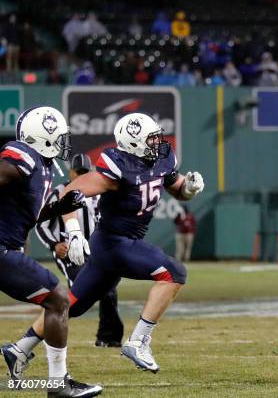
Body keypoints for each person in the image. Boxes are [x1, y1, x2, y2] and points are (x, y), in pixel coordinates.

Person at [9, 113, 205, 375]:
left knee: (71, 306)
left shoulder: (161, 160)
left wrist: (189, 189)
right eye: (151, 138)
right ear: (134, 143)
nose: (159, 142)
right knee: (175, 273)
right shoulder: (119, 165)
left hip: (117, 247)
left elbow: (177, 187)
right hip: (114, 244)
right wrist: (74, 231)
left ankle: (20, 348)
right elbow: (70, 193)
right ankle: (138, 341)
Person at [0, 106, 102, 396]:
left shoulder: (41, 166)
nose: (64, 142)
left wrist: (60, 208)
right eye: (59, 135)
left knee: (57, 299)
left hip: (8, 248)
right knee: (58, 298)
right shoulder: (24, 155)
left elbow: (32, 212)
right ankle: (59, 384)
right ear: (42, 136)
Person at [36, 153, 124, 348]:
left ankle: (108, 337)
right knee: (81, 291)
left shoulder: (96, 193)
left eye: (86, 172)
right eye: (79, 172)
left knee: (109, 289)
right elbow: (41, 223)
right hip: (68, 251)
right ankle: (44, 332)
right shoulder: (60, 191)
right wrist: (54, 244)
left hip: (93, 249)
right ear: (71, 171)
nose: (82, 175)